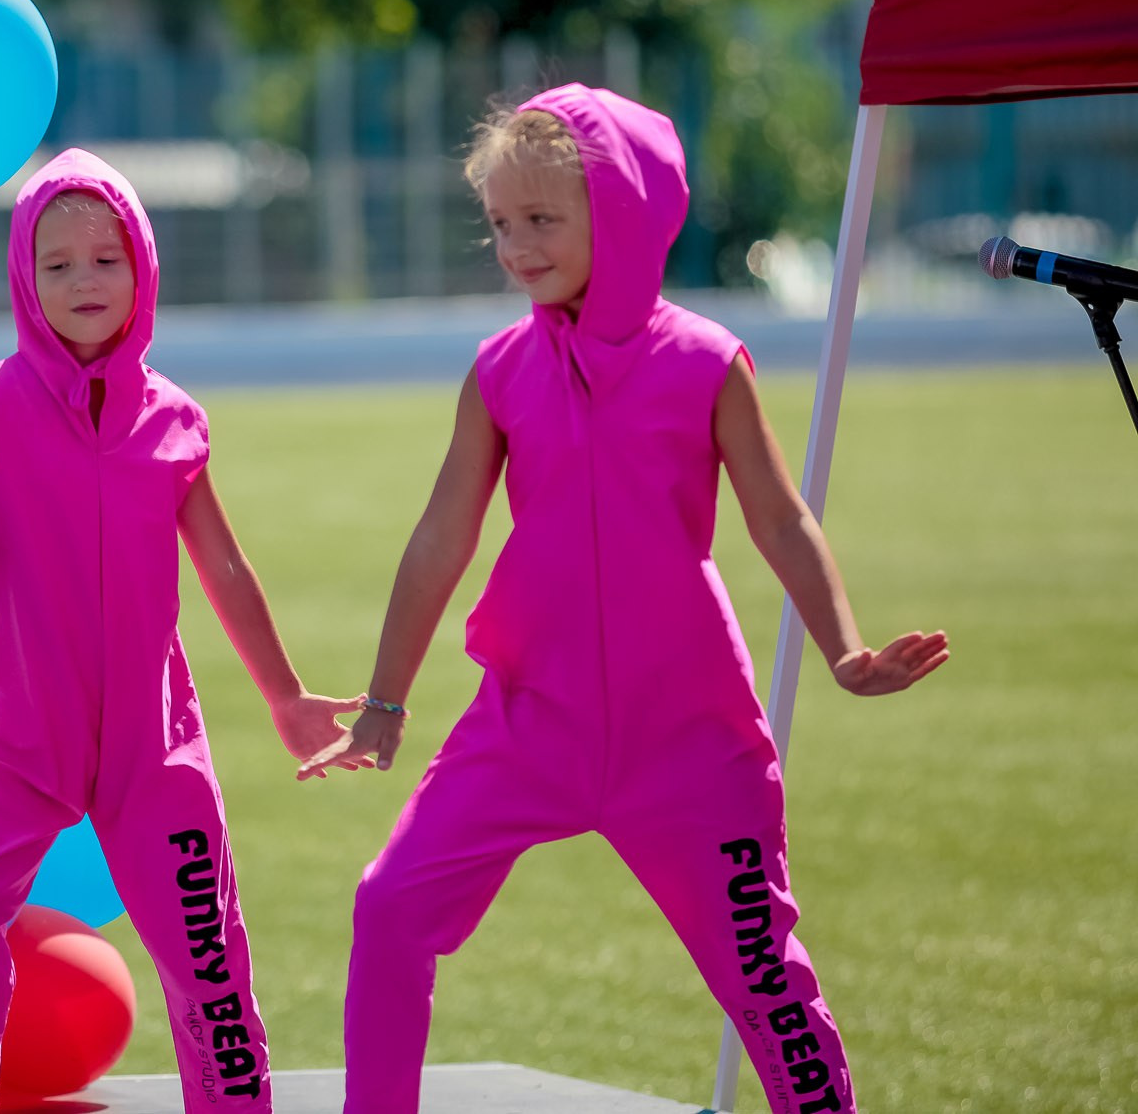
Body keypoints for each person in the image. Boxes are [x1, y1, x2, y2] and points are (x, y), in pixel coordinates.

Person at [299, 87, 951, 1114]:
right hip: (527, 722)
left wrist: (842, 651)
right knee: (387, 905)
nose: (515, 246)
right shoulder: (500, 370)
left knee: (762, 976)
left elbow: (779, 520)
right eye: (500, 223)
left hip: (688, 739)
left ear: (624, 209)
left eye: (542, 219)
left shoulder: (702, 361)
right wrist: (383, 703)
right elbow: (441, 538)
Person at [0, 149, 364, 1114]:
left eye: (106, 259)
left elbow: (228, 569)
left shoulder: (177, 422)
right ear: (22, 279)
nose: (85, 280)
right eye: (59, 264)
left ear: (144, 269)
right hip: (16, 740)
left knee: (207, 960)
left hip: (151, 744)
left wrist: (287, 699)